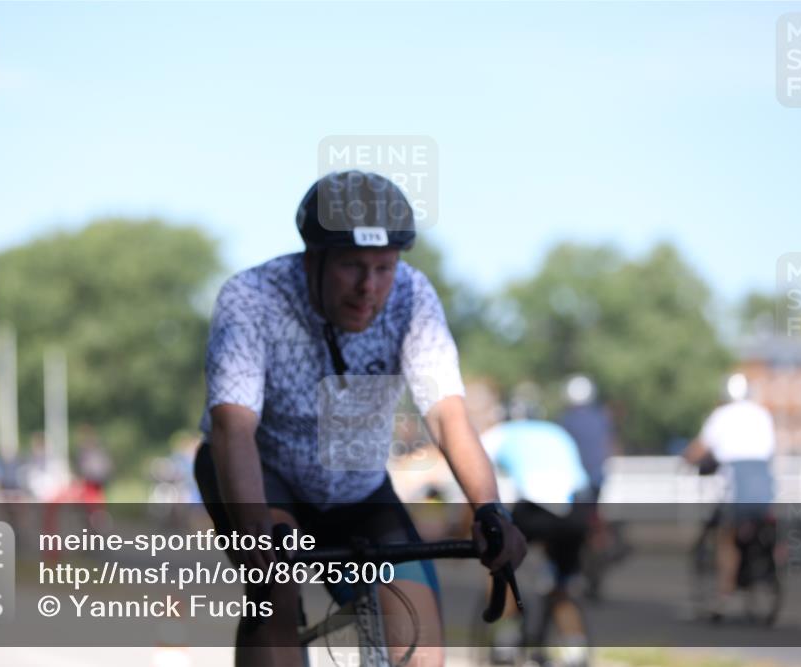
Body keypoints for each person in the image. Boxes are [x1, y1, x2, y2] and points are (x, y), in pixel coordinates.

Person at [194, 170, 526, 667]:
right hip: (266, 475)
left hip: (357, 485)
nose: (368, 287)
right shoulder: (252, 298)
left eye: (384, 267)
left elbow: (448, 415)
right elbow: (233, 426)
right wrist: (254, 528)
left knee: (420, 635)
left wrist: (489, 510)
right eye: (351, 266)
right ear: (313, 259)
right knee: (275, 592)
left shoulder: (413, 297)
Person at [479, 396, 593, 659]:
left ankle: (505, 640)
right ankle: (575, 652)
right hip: (576, 510)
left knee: (501, 564)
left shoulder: (499, 433)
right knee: (562, 584)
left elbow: (476, 483)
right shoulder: (557, 432)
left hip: (534, 507)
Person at [683, 372, 776, 615]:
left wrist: (685, 461)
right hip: (765, 487)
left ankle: (725, 595)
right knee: (763, 529)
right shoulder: (762, 414)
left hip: (737, 487)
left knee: (727, 539)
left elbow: (699, 450)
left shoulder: (721, 416)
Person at [557, 375, 614, 500]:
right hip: (596, 476)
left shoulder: (566, 420)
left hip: (575, 478)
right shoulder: (601, 418)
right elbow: (608, 445)